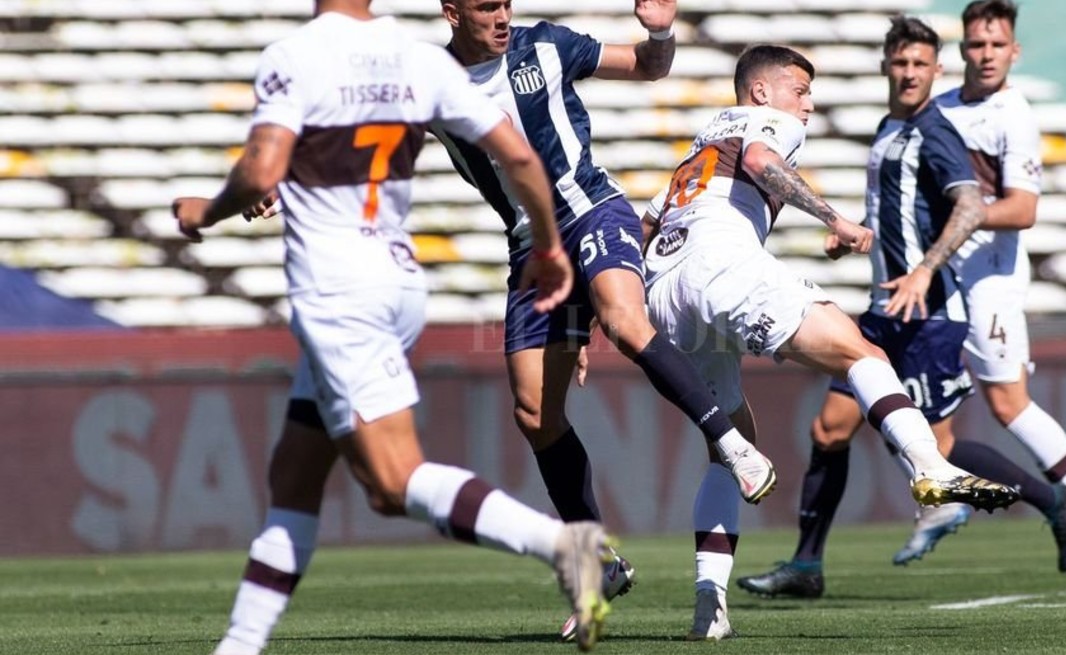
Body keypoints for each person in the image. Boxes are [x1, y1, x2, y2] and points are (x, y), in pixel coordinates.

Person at [172, 2, 610, 652]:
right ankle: (239, 643)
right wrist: (548, 248)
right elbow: (519, 157)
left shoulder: (296, 54)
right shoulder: (418, 58)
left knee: (392, 480)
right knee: (294, 474)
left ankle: (563, 542)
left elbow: (263, 169)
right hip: (396, 278)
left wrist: (205, 210)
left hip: (338, 287)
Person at [640, 43, 1020, 641]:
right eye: (800, 90)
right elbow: (765, 158)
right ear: (762, 91)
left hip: (662, 287)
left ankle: (709, 601)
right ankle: (930, 466)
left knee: (729, 444)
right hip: (721, 264)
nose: (808, 105)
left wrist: (598, 323)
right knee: (862, 353)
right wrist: (833, 219)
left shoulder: (701, 143)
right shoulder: (769, 122)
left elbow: (647, 225)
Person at [431, 0, 777, 638]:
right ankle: (599, 562)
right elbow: (358, 142)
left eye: (506, 2)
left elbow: (649, 67)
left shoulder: (547, 45)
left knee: (622, 317)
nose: (502, 15)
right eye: (486, 7)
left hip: (593, 209)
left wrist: (661, 30)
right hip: (531, 247)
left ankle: (733, 447)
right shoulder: (427, 78)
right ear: (451, 11)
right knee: (535, 413)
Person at [735, 14, 1066, 601]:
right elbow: (905, 208)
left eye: (919, 64)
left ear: (936, 70)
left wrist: (924, 270)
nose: (908, 73)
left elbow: (972, 205)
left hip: (929, 311)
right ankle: (806, 565)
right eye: (899, 62)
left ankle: (1056, 500)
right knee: (829, 430)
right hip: (885, 309)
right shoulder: (887, 126)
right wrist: (854, 232)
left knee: (941, 449)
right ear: (884, 66)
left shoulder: (937, 129)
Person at [922, 0, 1066, 593]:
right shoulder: (940, 110)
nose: (985, 55)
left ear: (1015, 51)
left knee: (1009, 404)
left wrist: (961, 219)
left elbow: (1023, 208)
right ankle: (961, 502)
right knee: (931, 423)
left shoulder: (1013, 113)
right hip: (939, 275)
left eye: (996, 45)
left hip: (988, 275)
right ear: (962, 50)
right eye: (976, 45)